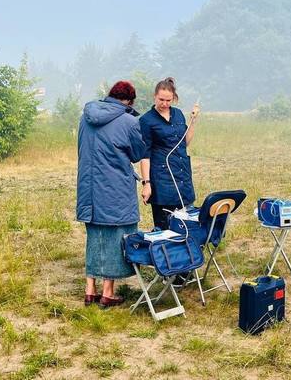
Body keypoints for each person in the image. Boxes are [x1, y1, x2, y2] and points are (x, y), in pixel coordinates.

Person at [76, 81, 146, 308]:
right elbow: (137, 153)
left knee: (94, 235)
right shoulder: (129, 121)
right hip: (116, 189)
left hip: (88, 187)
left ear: (109, 96)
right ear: (129, 101)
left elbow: (80, 148)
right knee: (117, 236)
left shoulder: (86, 117)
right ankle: (108, 293)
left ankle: (89, 290)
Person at [139, 77, 200, 231]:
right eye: (161, 100)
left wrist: (193, 121)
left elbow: (184, 142)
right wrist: (147, 184)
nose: (165, 104)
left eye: (168, 100)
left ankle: (188, 253)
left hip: (182, 175)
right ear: (154, 96)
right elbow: (145, 155)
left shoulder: (178, 114)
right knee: (166, 227)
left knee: (187, 223)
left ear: (174, 98)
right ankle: (166, 254)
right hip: (162, 179)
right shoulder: (146, 120)